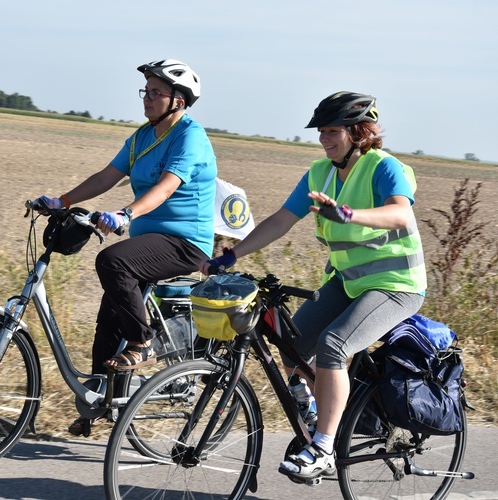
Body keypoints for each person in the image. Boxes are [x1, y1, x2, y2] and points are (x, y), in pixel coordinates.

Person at [202, 91, 427, 481]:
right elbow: (280, 220)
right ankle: (322, 410)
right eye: (321, 131)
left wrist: (346, 213)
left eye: (333, 131)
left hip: (395, 285)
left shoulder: (383, 168)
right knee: (291, 342)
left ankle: (323, 445)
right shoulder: (320, 172)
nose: (324, 138)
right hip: (347, 282)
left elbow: (399, 214)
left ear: (359, 132)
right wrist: (232, 255)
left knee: (333, 344)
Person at [34, 59, 217, 436]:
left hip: (185, 243)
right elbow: (106, 176)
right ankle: (100, 403)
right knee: (108, 319)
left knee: (112, 260)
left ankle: (142, 341)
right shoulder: (140, 138)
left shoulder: (189, 136)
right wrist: (61, 201)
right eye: (145, 92)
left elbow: (167, 186)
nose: (147, 99)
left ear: (178, 101)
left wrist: (126, 213)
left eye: (156, 92)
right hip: (151, 243)